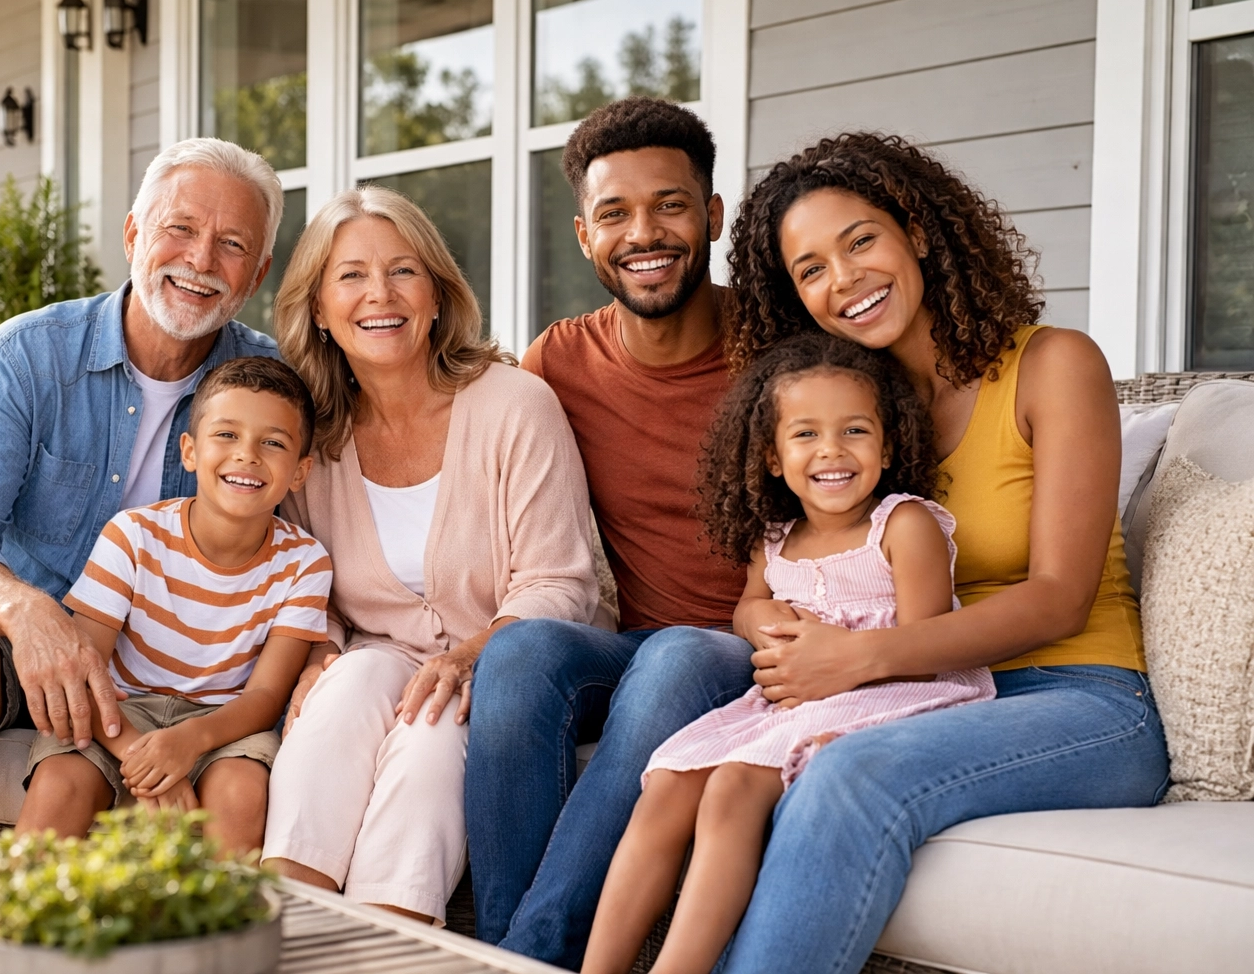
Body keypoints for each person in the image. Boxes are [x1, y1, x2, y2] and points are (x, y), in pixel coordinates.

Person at [713, 132, 1167, 973]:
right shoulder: (857, 425)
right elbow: (786, 565)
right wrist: (777, 628)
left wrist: (855, 660)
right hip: (926, 693)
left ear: (917, 231)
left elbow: (1060, 597)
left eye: (860, 241)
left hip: (1082, 698)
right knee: (696, 738)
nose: (843, 280)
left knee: (849, 776)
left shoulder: (1052, 365)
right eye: (810, 268)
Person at [0, 137, 285, 905]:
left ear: (257, 275)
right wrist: (26, 612)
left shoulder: (270, 391)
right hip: (12, 651)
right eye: (179, 229)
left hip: (168, 680)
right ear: (133, 235)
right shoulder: (29, 354)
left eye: (232, 245)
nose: (199, 260)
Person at [582, 333, 995, 974]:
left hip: (899, 692)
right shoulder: (776, 538)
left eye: (854, 430)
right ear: (772, 457)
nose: (831, 450)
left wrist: (838, 654)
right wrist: (758, 617)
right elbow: (747, 606)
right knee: (666, 784)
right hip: (791, 699)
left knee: (732, 789)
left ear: (887, 446)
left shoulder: (904, 525)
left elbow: (923, 651)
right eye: (805, 435)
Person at [261, 186, 601, 927]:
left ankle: (389, 945)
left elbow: (561, 582)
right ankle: (279, 930)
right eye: (350, 275)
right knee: (343, 691)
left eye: (403, 271)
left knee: (427, 738)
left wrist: (471, 655)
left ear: (439, 295)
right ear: (317, 307)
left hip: (514, 672)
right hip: (383, 661)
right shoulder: (314, 438)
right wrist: (316, 651)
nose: (378, 294)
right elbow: (300, 579)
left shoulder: (515, 404)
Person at [466, 96, 754, 966]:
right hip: (633, 650)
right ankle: (501, 943)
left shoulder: (787, 352)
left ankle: (530, 952)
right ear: (587, 237)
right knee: (516, 654)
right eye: (614, 214)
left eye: (669, 205)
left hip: (753, 653)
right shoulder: (558, 361)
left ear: (711, 216)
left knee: (682, 653)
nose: (645, 233)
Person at [15, 357, 329, 856]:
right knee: (59, 786)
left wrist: (189, 743)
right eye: (226, 435)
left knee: (241, 795)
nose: (246, 456)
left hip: (226, 720)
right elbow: (84, 669)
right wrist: (145, 758)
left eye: (272, 443)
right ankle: (11, 927)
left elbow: (267, 696)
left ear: (300, 471)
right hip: (116, 709)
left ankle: (222, 932)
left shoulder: (305, 562)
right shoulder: (133, 536)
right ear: (189, 451)